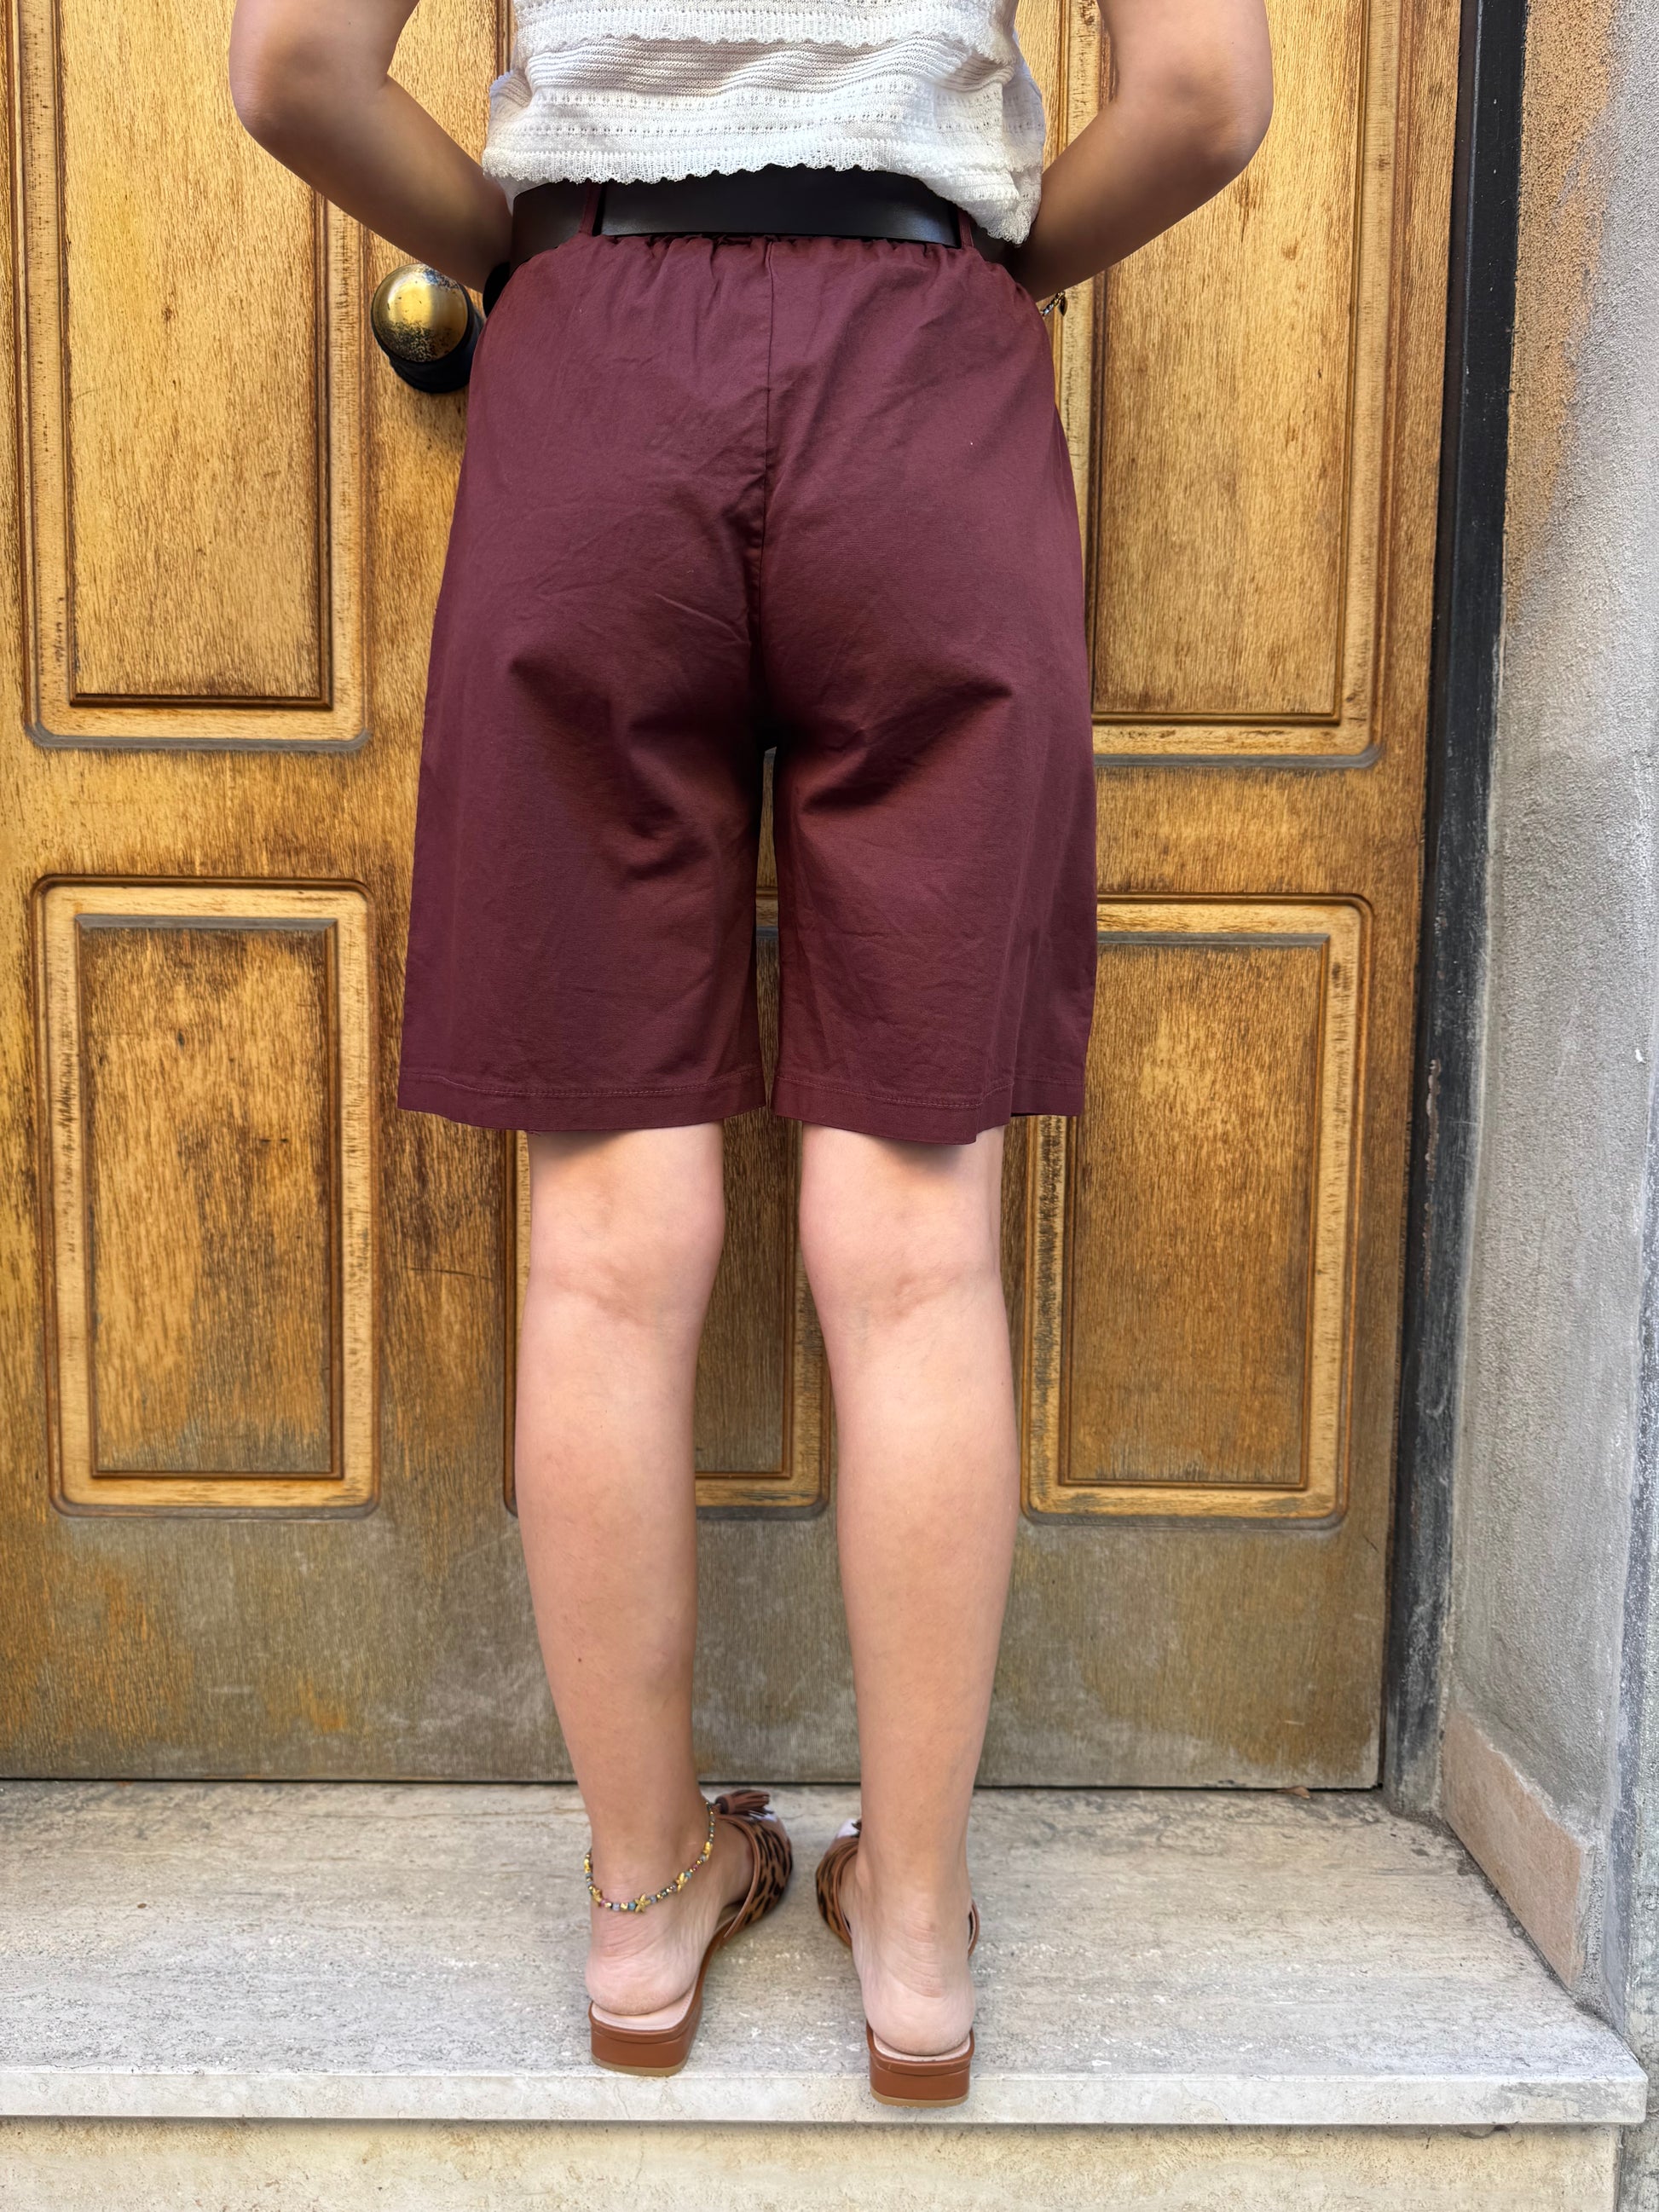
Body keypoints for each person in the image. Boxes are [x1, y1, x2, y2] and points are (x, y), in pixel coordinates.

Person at [229, 0, 1272, 2105]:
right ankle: (915, 1935)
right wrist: (984, 261)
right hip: (926, 361)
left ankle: (643, 1899)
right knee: (918, 1243)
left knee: (607, 1244)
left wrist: (529, 247)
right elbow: (1197, 98)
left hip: (594, 360)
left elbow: (294, 70)